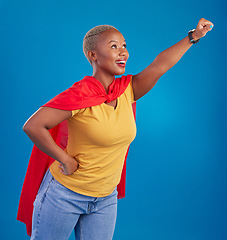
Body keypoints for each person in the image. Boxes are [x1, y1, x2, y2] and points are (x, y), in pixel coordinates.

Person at [18, 18, 213, 240]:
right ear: (93, 55)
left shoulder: (127, 89)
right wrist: (65, 159)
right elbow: (33, 126)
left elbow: (160, 65)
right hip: (64, 195)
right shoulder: (80, 95)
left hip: (104, 199)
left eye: (124, 46)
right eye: (113, 46)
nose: (123, 53)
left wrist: (193, 37)